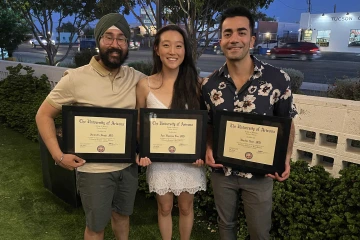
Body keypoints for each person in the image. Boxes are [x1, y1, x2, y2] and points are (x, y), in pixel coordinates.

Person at [35, 13, 146, 240]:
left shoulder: (135, 77)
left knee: (122, 218)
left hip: (127, 167)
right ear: (98, 40)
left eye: (121, 38)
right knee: (96, 228)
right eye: (109, 37)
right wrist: (58, 155)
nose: (115, 44)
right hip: (93, 171)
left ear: (127, 44)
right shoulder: (75, 78)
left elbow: (166, 83)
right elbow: (43, 115)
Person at [200, 6, 298, 240]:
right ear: (221, 40)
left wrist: (285, 156)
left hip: (260, 174)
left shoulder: (277, 79)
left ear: (252, 39)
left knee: (259, 232)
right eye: (227, 33)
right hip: (223, 172)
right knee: (226, 226)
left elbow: (287, 122)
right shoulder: (209, 84)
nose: (234, 39)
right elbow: (210, 124)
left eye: (241, 32)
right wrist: (208, 147)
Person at [135, 25, 206, 240]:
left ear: (185, 50)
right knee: (164, 208)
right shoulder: (144, 85)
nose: (172, 51)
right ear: (157, 49)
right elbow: (140, 125)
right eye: (166, 45)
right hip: (158, 161)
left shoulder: (197, 85)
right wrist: (141, 151)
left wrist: (200, 152)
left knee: (186, 208)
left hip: (188, 162)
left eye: (178, 46)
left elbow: (203, 125)